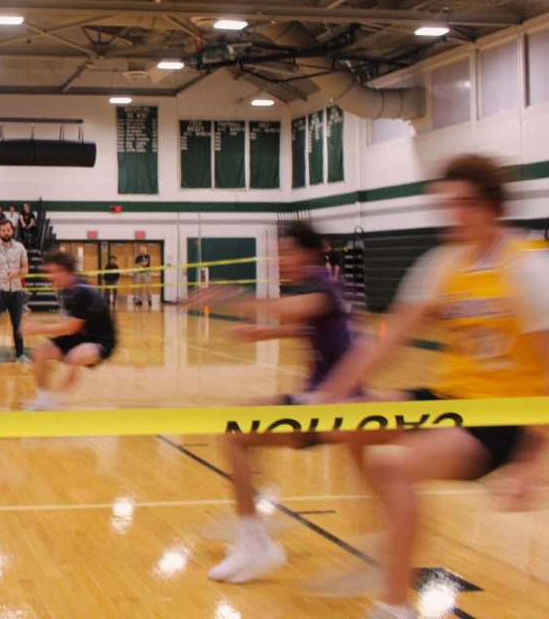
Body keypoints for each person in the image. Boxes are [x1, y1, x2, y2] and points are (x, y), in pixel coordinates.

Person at [316, 154, 549, 619]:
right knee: (353, 423)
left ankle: (393, 605)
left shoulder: (527, 270)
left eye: (465, 204)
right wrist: (334, 392)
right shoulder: (443, 262)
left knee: (394, 470)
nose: (453, 215)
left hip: (506, 417)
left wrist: (535, 460)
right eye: (446, 204)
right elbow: (390, 339)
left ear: (492, 206)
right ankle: (391, 537)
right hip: (452, 399)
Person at [201, 221, 355, 585]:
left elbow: (288, 309)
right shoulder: (324, 286)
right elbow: (312, 325)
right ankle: (252, 526)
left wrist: (228, 297)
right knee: (239, 429)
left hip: (332, 405)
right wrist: (265, 333)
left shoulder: (322, 287)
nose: (281, 260)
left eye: (288, 252)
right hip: (325, 399)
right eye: (278, 253)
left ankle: (254, 537)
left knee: (236, 433)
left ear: (310, 252)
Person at [22, 249, 117, 410]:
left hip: (101, 341)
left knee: (75, 356)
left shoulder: (80, 291)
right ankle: (43, 398)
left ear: (63, 270)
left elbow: (69, 327)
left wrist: (37, 328)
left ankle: (55, 400)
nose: (48, 277)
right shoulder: (65, 289)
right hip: (78, 336)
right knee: (39, 352)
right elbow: (68, 324)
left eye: (51, 272)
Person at [0, 219, 29, 363]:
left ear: (12, 230)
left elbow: (26, 270)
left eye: (8, 230)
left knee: (17, 324)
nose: (6, 232)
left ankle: (20, 354)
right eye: (3, 230)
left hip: (16, 292)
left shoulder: (20, 247)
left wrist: (18, 272)